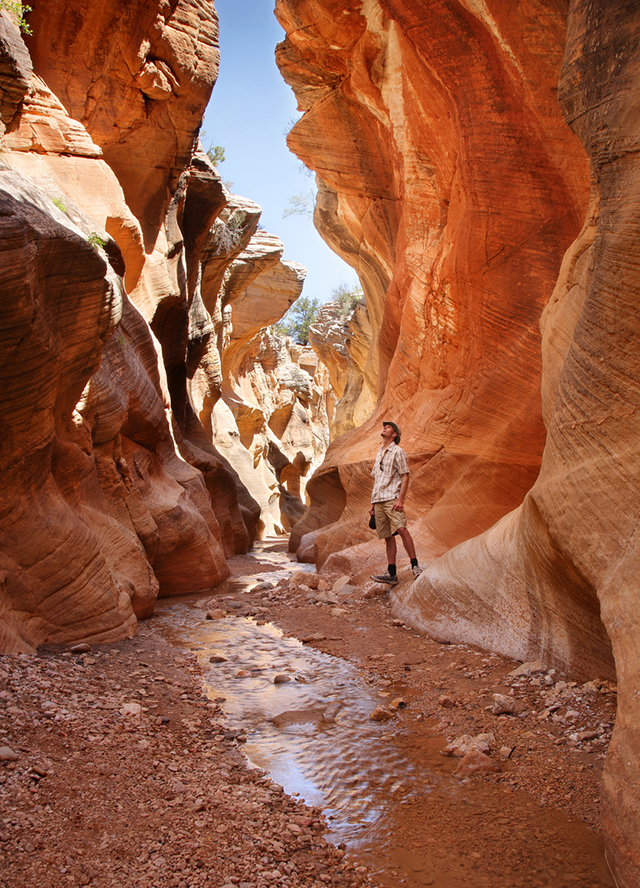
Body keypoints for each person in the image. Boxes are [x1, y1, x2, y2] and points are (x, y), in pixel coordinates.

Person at [369, 421, 422, 586]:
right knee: (387, 536)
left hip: (392, 497)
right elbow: (377, 479)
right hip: (379, 500)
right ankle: (391, 573)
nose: (384, 427)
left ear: (394, 435)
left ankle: (415, 566)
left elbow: (405, 475)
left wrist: (401, 499)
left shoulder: (398, 451)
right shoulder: (379, 452)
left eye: (389, 427)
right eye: (384, 426)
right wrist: (372, 503)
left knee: (401, 529)